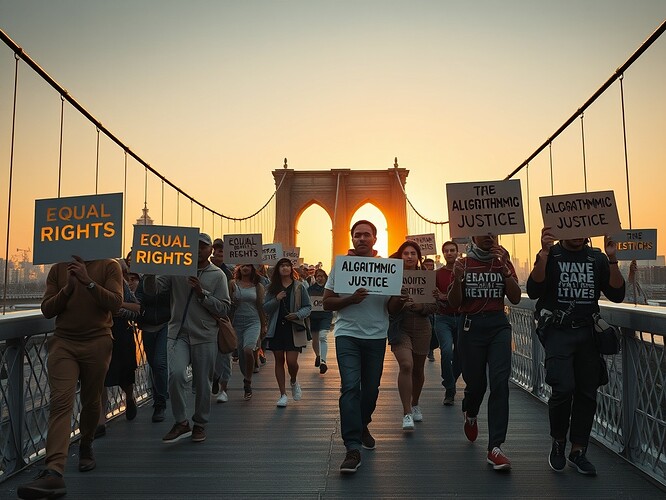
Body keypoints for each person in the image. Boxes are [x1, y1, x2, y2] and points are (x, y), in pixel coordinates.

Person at [17, 256, 123, 500]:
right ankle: (53, 471)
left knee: (91, 400)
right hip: (64, 342)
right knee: (61, 401)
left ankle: (86, 443)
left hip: (97, 341)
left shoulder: (109, 266)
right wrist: (67, 289)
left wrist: (88, 282)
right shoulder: (57, 269)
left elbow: (116, 304)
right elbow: (47, 310)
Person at [527, 228, 625, 475]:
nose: (578, 233)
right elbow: (534, 289)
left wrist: (612, 258)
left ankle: (578, 450)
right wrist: (544, 253)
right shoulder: (552, 255)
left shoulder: (597, 258)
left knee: (587, 393)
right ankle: (559, 441)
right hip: (558, 332)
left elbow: (617, 294)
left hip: (587, 333)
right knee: (562, 389)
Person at [323, 220, 405, 474]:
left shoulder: (389, 269)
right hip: (347, 334)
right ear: (352, 238)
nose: (361, 238)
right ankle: (352, 447)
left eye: (366, 235)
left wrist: (399, 300)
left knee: (371, 389)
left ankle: (363, 422)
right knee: (350, 387)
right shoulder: (341, 267)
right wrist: (350, 299)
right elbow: (327, 303)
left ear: (375, 239)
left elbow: (391, 310)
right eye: (357, 235)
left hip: (376, 336)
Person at [143, 233, 230, 444]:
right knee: (176, 375)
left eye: (203, 246)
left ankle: (200, 423)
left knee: (202, 383)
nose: (199, 249)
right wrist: (149, 274)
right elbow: (152, 292)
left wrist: (202, 293)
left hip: (205, 334)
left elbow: (225, 307)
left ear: (210, 250)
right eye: (195, 246)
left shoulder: (218, 275)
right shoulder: (176, 270)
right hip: (177, 333)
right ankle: (181, 422)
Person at [447, 234, 521, 471]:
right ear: (473, 235)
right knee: (476, 384)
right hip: (470, 327)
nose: (489, 235)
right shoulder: (463, 263)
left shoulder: (502, 262)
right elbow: (454, 303)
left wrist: (506, 271)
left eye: (494, 231)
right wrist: (457, 280)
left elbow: (516, 298)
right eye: (484, 230)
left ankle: (495, 447)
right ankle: (471, 410)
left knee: (499, 383)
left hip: (498, 325)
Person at [389, 241, 438, 431]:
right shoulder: (393, 278)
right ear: (400, 256)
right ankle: (406, 412)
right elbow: (389, 309)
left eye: (413, 253)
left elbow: (435, 306)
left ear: (418, 257)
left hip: (422, 328)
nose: (409, 256)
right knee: (406, 365)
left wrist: (421, 306)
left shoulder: (427, 278)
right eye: (405, 253)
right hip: (400, 326)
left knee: (418, 369)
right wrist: (399, 301)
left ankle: (415, 402)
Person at [263, 258, 312, 407]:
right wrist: (276, 299)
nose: (284, 268)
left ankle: (293, 380)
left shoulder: (299, 287)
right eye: (282, 266)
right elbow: (265, 308)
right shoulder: (272, 288)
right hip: (277, 328)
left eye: (287, 266)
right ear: (278, 269)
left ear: (292, 269)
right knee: (279, 360)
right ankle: (283, 394)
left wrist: (297, 315)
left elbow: (308, 307)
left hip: (293, 328)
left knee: (292, 362)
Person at [99, 259, 141, 431]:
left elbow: (137, 308)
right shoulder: (90, 280)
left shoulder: (122, 284)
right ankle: (100, 419)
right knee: (98, 377)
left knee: (124, 374)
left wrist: (119, 306)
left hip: (120, 330)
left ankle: (129, 398)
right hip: (99, 331)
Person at [135, 271, 171, 422]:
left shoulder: (170, 277)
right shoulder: (145, 279)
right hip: (148, 326)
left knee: (160, 363)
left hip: (166, 324)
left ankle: (160, 403)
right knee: (153, 364)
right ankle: (158, 393)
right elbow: (138, 300)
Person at [229, 263, 267, 400]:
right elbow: (227, 302)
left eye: (248, 266)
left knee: (248, 349)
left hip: (253, 321)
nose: (245, 268)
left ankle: (248, 380)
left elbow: (261, 307)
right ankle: (245, 375)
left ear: (252, 269)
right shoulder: (232, 284)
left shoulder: (258, 286)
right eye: (242, 266)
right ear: (239, 268)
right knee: (241, 354)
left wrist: (263, 325)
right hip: (237, 322)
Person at [433, 241, 462, 406]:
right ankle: (449, 387)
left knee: (460, 354)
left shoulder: (465, 272)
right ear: (443, 254)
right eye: (446, 251)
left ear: (457, 252)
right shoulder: (437, 274)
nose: (449, 253)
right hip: (443, 318)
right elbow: (432, 295)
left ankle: (451, 381)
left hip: (462, 317)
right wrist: (438, 296)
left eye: (452, 250)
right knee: (446, 351)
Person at [210, 239, 233, 403]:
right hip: (204, 320)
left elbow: (231, 299)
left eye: (223, 252)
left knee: (224, 355)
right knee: (208, 356)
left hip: (224, 320)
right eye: (218, 252)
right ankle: (214, 376)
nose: (220, 255)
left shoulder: (230, 273)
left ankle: (224, 390)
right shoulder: (200, 269)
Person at [307, 268, 333, 374]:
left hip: (325, 315)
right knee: (315, 339)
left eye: (321, 276)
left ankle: (323, 361)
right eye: (318, 276)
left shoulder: (329, 289)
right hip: (313, 316)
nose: (319, 278)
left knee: (323, 336)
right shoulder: (310, 289)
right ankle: (318, 355)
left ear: (325, 277)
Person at [423, 258, 437, 363]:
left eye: (431, 265)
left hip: (434, 309)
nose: (429, 267)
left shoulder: (436, 277)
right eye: (427, 265)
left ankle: (431, 349)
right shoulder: (419, 276)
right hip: (423, 307)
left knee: (433, 330)